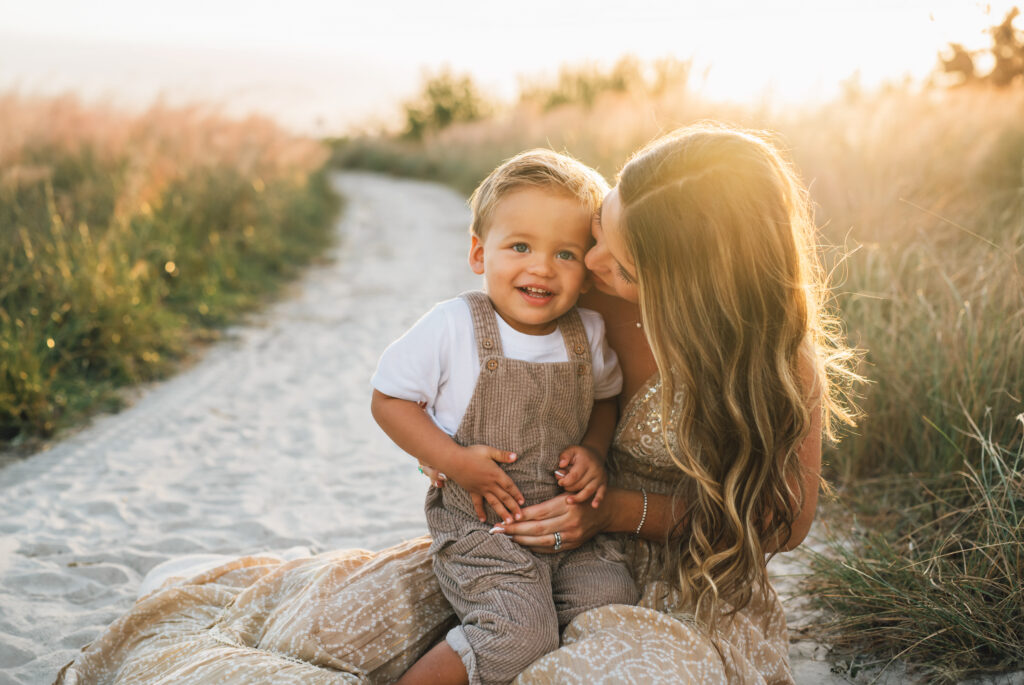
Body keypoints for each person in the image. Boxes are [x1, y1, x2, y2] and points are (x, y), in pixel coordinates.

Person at [57, 123, 858, 684]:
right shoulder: (589, 299)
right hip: (523, 540)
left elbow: (782, 522)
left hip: (682, 578)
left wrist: (617, 510)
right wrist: (456, 460)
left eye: (626, 258)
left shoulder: (775, 356)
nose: (596, 258)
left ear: (693, 283)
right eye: (601, 227)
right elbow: (477, 381)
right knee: (334, 631)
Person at [369, 149, 638, 684]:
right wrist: (453, 459)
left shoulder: (587, 332)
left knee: (611, 603)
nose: (541, 267)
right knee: (520, 632)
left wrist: (594, 449)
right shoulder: (453, 325)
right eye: (519, 246)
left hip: (569, 526)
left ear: (587, 270)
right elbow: (389, 399)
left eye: (565, 254)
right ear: (478, 252)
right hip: (482, 526)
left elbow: (605, 398)